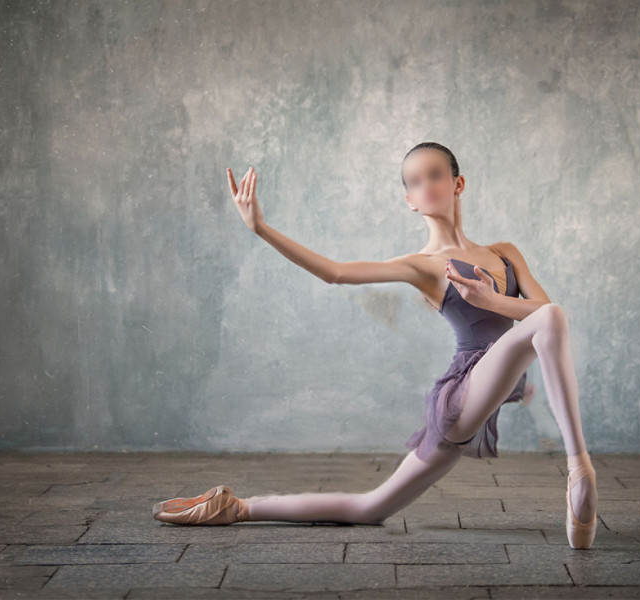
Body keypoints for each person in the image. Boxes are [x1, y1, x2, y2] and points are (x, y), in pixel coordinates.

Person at [152, 142, 599, 549]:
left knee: (371, 508)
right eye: (415, 181)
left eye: (435, 175)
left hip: (492, 382)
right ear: (410, 200)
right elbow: (336, 272)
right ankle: (580, 470)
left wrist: (492, 301)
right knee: (549, 318)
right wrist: (261, 229)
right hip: (462, 394)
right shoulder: (423, 265)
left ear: (458, 183)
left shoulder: (505, 253)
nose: (426, 185)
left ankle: (234, 507)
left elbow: (546, 315)